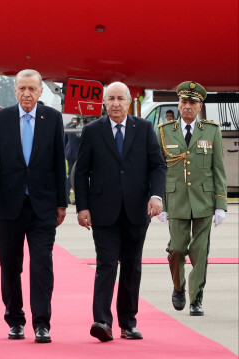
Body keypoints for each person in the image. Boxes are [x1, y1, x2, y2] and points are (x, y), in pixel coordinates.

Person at [0, 69, 67, 343]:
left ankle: (42, 323)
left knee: (42, 265)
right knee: (10, 266)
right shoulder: (1, 119)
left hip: (43, 207)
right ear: (15, 91)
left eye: (32, 89)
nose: (27, 94)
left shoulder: (52, 119)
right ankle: (15, 318)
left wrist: (62, 203)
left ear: (41, 91)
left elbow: (58, 162)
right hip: (7, 207)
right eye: (22, 89)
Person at [74, 81, 166, 342]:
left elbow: (157, 166)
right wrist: (82, 207)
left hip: (137, 211)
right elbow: (81, 174)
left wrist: (156, 196)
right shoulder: (92, 131)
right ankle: (102, 321)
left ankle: (128, 323)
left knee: (132, 267)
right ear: (104, 102)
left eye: (120, 99)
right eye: (111, 98)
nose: (115, 103)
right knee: (105, 265)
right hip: (103, 212)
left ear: (129, 102)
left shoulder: (145, 128)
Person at [155, 81, 227, 316]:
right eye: (184, 102)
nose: (187, 107)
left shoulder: (212, 130)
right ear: (178, 104)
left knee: (200, 252)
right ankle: (179, 286)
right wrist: (160, 202)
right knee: (176, 249)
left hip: (204, 202)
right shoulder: (164, 131)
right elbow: (158, 169)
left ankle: (196, 299)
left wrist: (221, 204)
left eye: (192, 103)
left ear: (200, 106)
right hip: (176, 201)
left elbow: (218, 169)